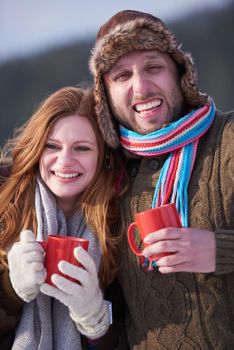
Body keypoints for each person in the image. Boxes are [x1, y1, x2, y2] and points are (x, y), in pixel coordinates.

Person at [89, 9, 234, 349]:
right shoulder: (103, 176)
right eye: (122, 76)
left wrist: (220, 250)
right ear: (105, 94)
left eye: (153, 68)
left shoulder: (228, 138)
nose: (140, 87)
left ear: (179, 73)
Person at [0, 86, 123, 349]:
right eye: (52, 146)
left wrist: (93, 316)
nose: (65, 161)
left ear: (102, 157)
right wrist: (11, 290)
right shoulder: (3, 199)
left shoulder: (118, 219)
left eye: (81, 148)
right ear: (36, 148)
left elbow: (129, 336)